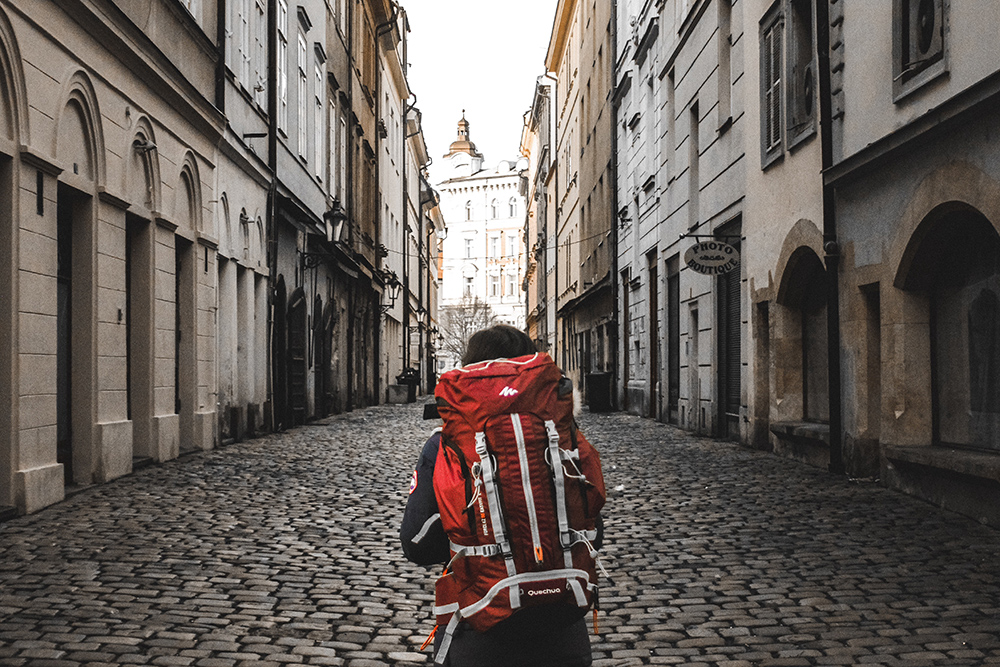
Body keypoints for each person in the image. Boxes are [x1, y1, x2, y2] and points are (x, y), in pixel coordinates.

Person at [400, 324, 601, 667]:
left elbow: (416, 543)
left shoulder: (445, 445)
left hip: (480, 629)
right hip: (563, 627)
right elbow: (592, 527)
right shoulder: (563, 439)